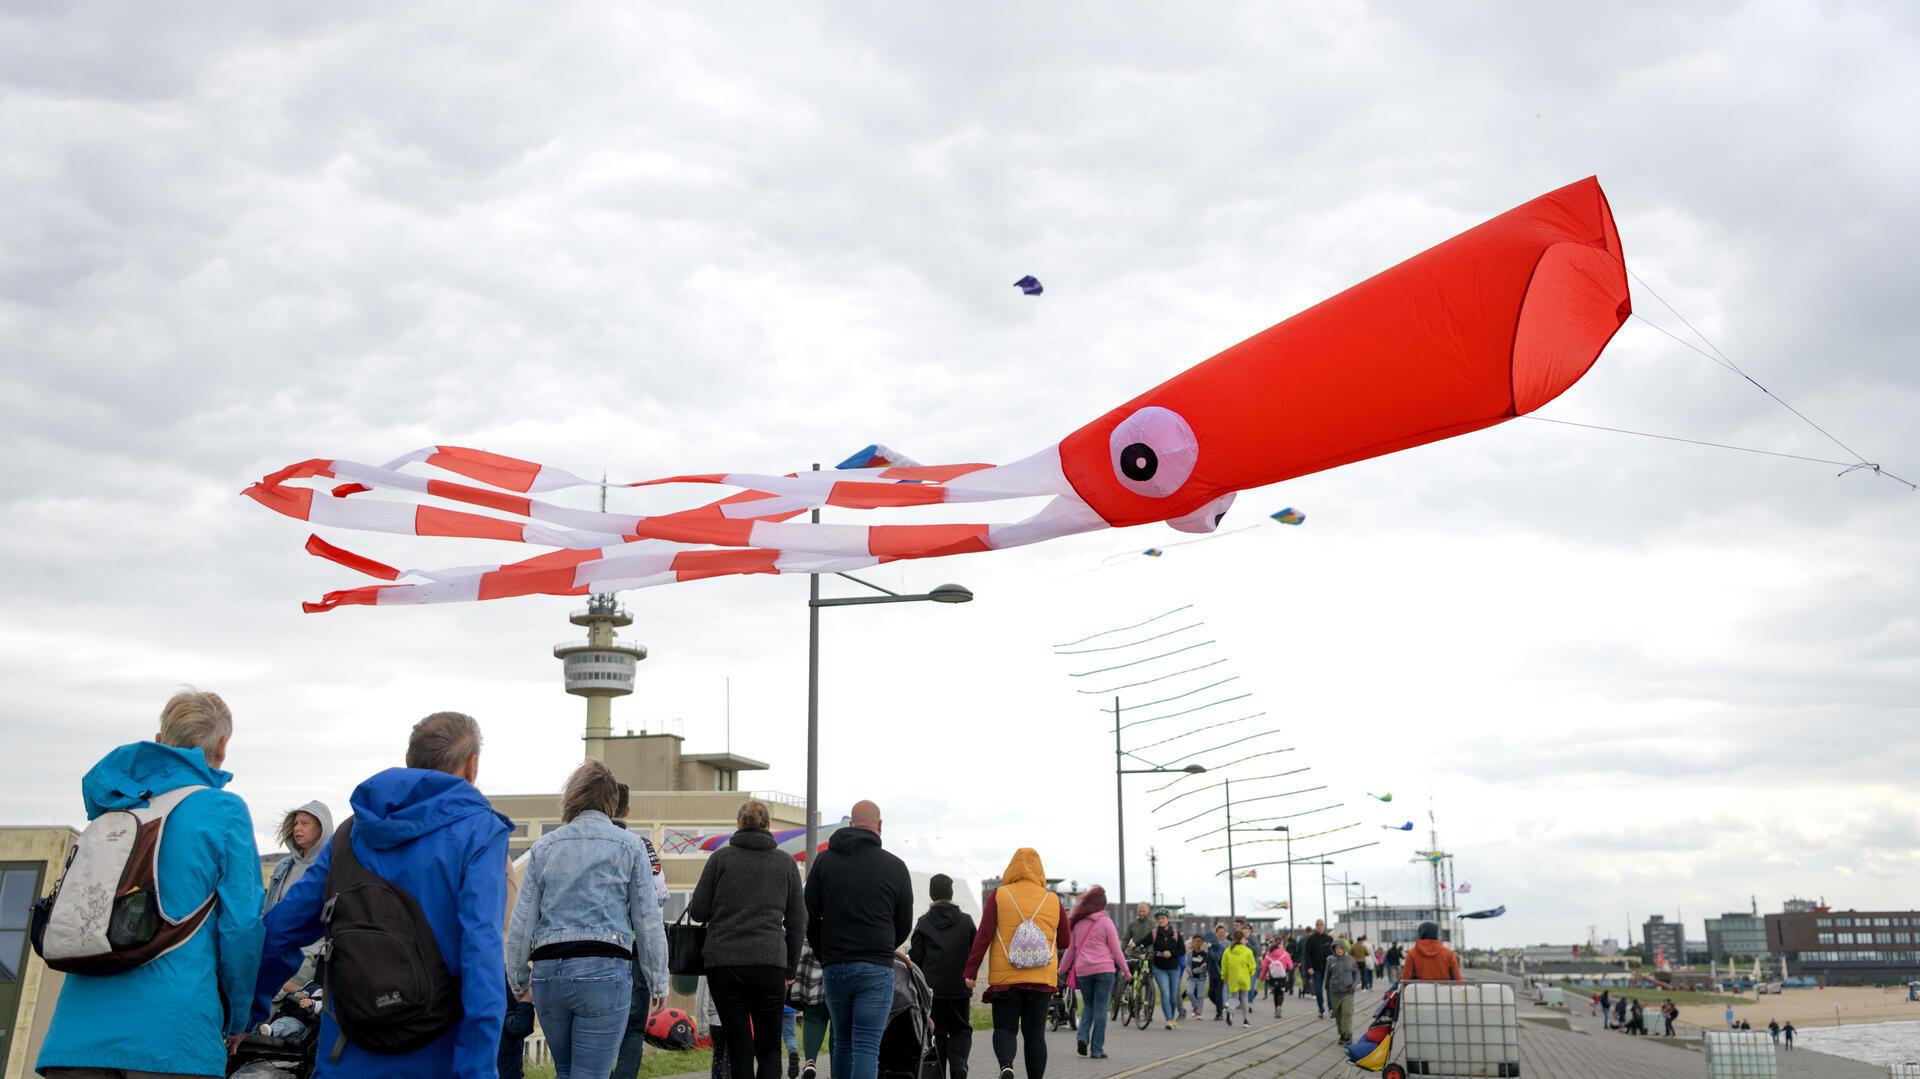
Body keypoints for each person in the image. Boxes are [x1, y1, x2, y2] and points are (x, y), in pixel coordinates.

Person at [255, 710, 510, 1079]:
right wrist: (477, 1069)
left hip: (345, 1055)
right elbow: (482, 957)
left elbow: (280, 929)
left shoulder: (350, 834)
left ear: (411, 762)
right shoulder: (478, 833)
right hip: (435, 1058)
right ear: (472, 768)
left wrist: (250, 1009)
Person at [36, 689, 264, 1079]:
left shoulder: (115, 807)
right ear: (222, 747)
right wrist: (239, 1015)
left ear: (160, 741)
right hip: (174, 1037)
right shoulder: (223, 810)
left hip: (74, 1037)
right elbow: (242, 926)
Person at [689, 798, 807, 1079]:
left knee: (738, 1045)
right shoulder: (785, 863)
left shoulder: (720, 858)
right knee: (768, 1046)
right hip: (769, 963)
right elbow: (798, 920)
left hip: (724, 963)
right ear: (769, 826)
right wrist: (790, 967)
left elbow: (698, 911)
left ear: (739, 825)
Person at [805, 800, 913, 1079]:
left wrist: (824, 952)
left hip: (835, 965)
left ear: (851, 825)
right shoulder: (895, 866)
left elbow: (809, 915)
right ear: (879, 826)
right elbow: (903, 923)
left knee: (842, 1041)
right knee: (866, 1045)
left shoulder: (824, 862)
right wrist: (884, 947)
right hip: (875, 966)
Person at [963, 849, 1070, 1079]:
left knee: (1005, 1028)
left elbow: (983, 936)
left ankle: (1006, 1066)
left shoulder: (999, 895)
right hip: (1041, 978)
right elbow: (1065, 941)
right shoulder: (1052, 900)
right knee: (1035, 1035)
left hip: (1006, 980)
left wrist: (970, 971)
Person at [612, 783, 672, 1079]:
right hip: (633, 951)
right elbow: (659, 895)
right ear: (628, 810)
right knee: (633, 1028)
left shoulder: (578, 842)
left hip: (590, 949)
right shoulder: (643, 845)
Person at [908, 873, 977, 1079]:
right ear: (951, 892)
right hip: (959, 988)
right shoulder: (966, 922)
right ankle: (959, 1065)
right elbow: (974, 953)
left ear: (931, 894)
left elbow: (916, 957)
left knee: (936, 1033)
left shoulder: (923, 923)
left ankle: (937, 1073)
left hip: (932, 990)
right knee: (961, 1030)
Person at [1058, 885, 1128, 1059]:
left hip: (1083, 971)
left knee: (1089, 1005)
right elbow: (1116, 950)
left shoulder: (1078, 923)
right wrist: (1126, 971)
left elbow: (1070, 951)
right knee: (1101, 1009)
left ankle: (1082, 1037)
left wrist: (1061, 969)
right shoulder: (1106, 922)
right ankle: (1096, 1050)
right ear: (1102, 905)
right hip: (1104, 970)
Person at [788, 942, 830, 1079]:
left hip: (814, 956)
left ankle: (810, 1062)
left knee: (813, 1017)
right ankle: (839, 1072)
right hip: (845, 955)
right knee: (840, 1026)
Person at [1147, 910, 1184, 1029]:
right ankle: (1168, 1019)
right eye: (1158, 919)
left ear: (1168, 919)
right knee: (1165, 994)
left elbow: (1182, 951)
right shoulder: (1154, 933)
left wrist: (1171, 953)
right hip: (1159, 968)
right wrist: (1133, 944)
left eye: (1162, 918)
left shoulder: (1176, 934)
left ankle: (1172, 1019)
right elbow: (1142, 942)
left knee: (1173, 996)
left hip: (1174, 969)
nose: (1160, 920)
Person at [1324, 941, 1360, 1042]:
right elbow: (1327, 976)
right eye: (1336, 948)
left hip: (1348, 992)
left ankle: (1348, 1034)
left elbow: (1357, 973)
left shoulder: (1350, 960)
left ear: (1344, 949)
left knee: (1347, 1013)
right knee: (1338, 1014)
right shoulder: (1330, 961)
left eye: (1341, 948)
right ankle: (1342, 1034)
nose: (1339, 950)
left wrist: (1354, 985)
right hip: (1335, 992)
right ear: (1334, 950)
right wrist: (1327, 988)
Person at [1221, 930, 1258, 1027]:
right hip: (1244, 977)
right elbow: (1253, 966)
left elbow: (1224, 967)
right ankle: (1245, 1020)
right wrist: (1250, 973)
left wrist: (1224, 977)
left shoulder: (1228, 951)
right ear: (1242, 939)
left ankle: (1230, 1011)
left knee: (1234, 997)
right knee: (1244, 998)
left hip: (1233, 977)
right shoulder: (1248, 951)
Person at [1301, 919, 1335, 1018]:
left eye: (1321, 925)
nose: (1319, 926)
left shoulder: (1329, 939)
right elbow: (1307, 955)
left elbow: (1333, 954)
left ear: (1324, 926)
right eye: (1317, 925)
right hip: (1316, 969)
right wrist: (1309, 967)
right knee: (1318, 990)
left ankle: (1331, 1008)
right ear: (1315, 926)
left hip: (1328, 968)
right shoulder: (1311, 939)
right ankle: (1321, 1009)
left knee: (1329, 989)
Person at [1261, 939, 1293, 1017]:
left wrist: (1262, 977)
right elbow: (1291, 966)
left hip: (1273, 976)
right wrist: (1286, 969)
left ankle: (1276, 1008)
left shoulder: (1269, 954)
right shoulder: (1285, 954)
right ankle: (1279, 1006)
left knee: (1275, 992)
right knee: (1281, 992)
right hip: (1282, 976)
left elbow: (1264, 967)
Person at [1184, 935, 1212, 1020]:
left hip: (1201, 978)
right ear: (1192, 943)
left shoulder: (1205, 954)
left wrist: (1204, 966)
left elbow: (1206, 966)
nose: (1197, 943)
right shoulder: (1189, 954)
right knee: (1189, 992)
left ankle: (1199, 1013)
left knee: (1200, 995)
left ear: (1202, 943)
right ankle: (1196, 1007)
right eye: (1196, 941)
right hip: (1191, 978)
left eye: (1199, 941)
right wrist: (1189, 970)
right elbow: (1187, 965)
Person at [1207, 925, 1229, 1020]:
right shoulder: (1211, 946)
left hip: (1221, 974)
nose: (1220, 934)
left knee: (1218, 994)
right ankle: (1221, 1007)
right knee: (1210, 994)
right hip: (1212, 973)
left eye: (1222, 932)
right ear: (1215, 934)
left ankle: (1219, 1014)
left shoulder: (1220, 948)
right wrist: (1205, 963)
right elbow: (1208, 959)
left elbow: (1216, 958)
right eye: (1219, 932)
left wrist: (1209, 949)